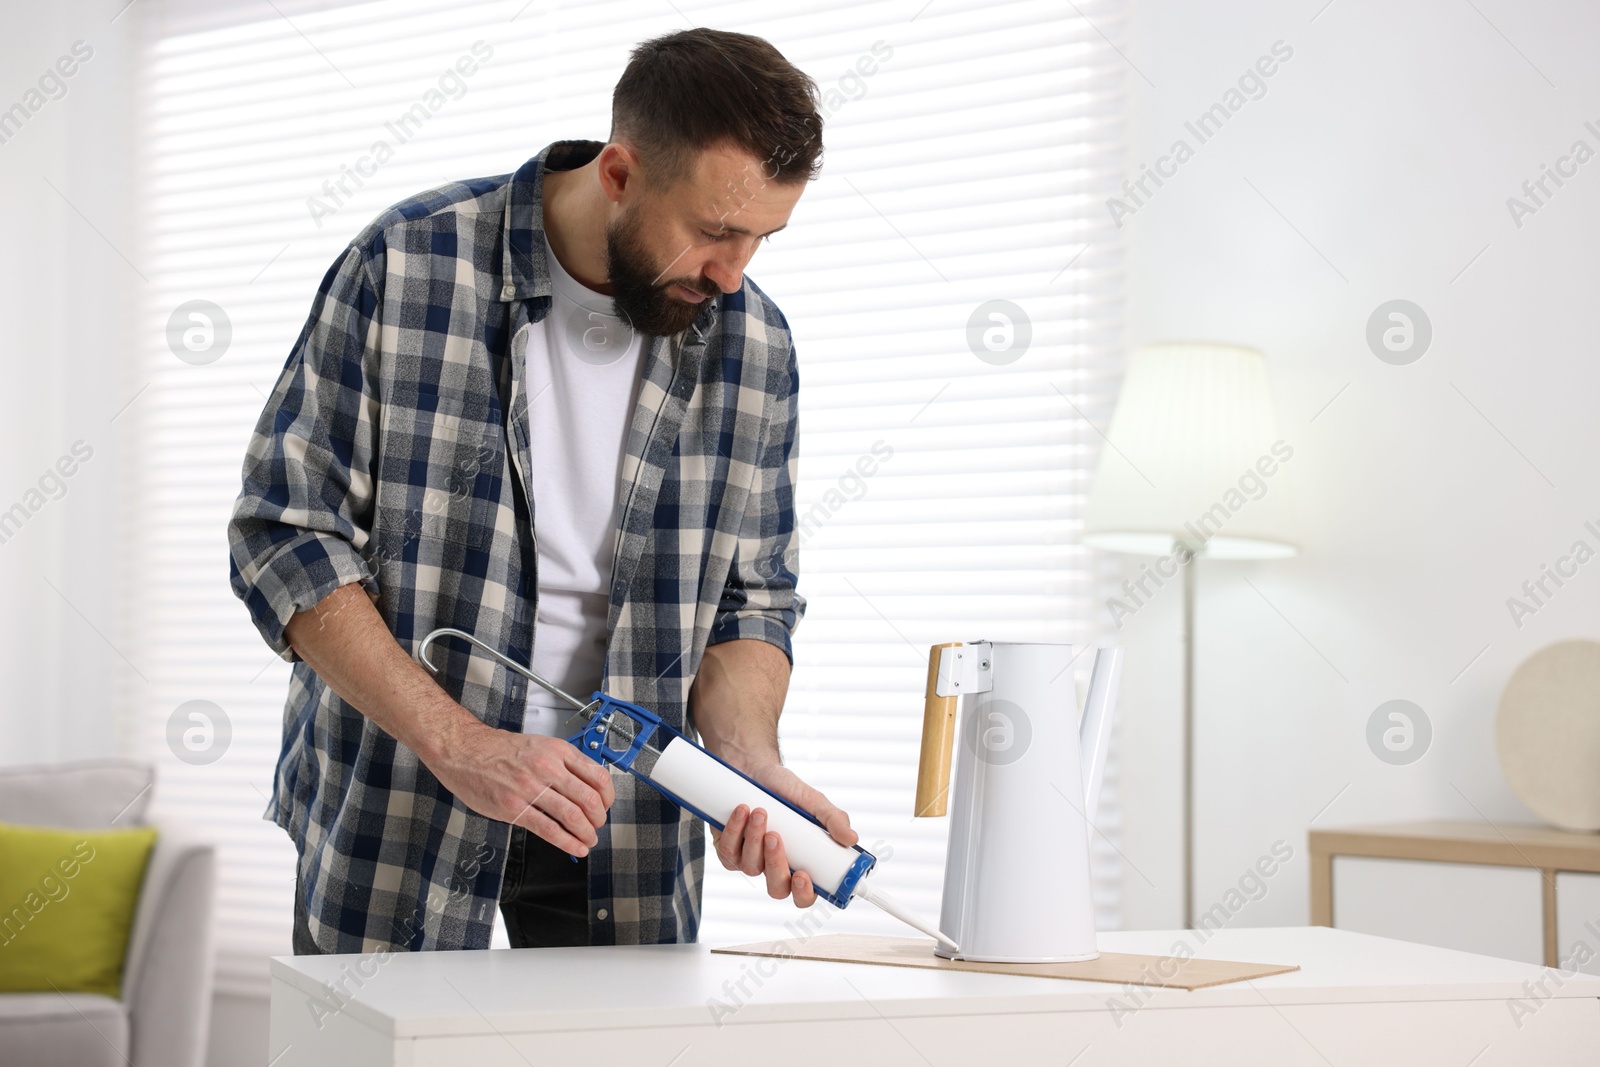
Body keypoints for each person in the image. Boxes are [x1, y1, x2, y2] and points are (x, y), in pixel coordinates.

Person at [227, 27, 856, 954]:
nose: (733, 274)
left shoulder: (754, 343)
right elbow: (284, 535)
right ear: (618, 172)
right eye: (716, 231)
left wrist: (749, 761)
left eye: (762, 237)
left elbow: (751, 600)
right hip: (401, 803)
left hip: (629, 833)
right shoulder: (406, 266)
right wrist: (460, 741)